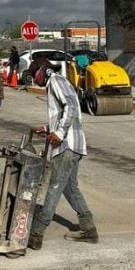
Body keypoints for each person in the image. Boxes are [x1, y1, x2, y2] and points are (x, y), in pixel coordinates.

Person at [27, 57, 99, 250]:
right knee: (70, 188)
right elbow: (63, 113)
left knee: (54, 187)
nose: (35, 80)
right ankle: (89, 229)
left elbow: (71, 107)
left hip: (67, 145)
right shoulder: (57, 83)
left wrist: (58, 133)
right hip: (73, 145)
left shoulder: (56, 81)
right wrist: (49, 128)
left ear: (42, 70)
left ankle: (36, 233)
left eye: (35, 75)